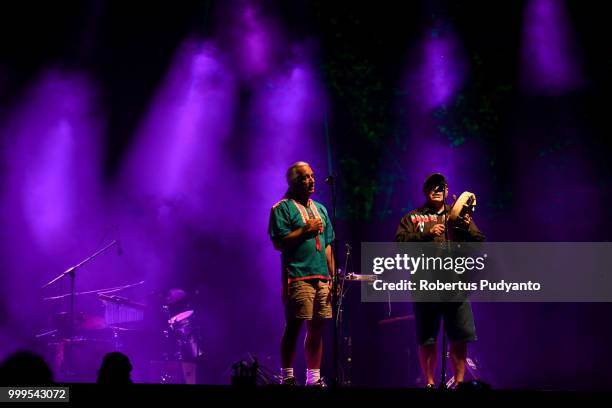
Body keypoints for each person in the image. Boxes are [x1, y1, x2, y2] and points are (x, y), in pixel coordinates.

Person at [395, 173, 485, 389]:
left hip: (456, 285)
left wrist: (465, 228)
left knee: (459, 336)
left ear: (447, 190)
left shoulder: (459, 216)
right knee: (427, 338)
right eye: (433, 186)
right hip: (426, 286)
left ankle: (460, 383)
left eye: (441, 186)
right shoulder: (412, 218)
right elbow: (399, 243)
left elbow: (480, 242)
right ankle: (429, 383)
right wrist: (426, 233)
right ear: (425, 191)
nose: (437, 189)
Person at [268, 162, 335, 387]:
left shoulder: (321, 209)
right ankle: (287, 375)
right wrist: (305, 230)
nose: (311, 181)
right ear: (293, 182)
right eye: (305, 177)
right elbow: (279, 243)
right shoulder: (282, 208)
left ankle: (313, 378)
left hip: (321, 277)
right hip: (297, 275)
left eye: (313, 176)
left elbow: (327, 245)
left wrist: (332, 276)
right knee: (295, 325)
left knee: (317, 327)